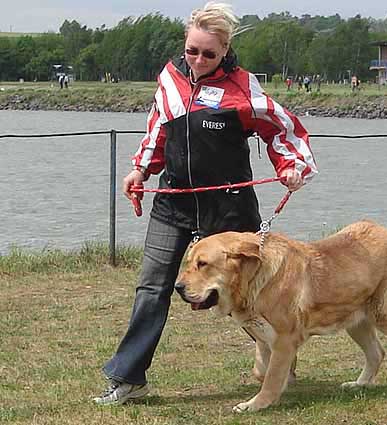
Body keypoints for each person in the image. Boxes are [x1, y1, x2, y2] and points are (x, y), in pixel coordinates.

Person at [93, 1, 317, 406]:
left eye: (208, 54)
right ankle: (128, 377)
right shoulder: (169, 79)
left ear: (225, 50)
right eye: (191, 51)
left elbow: (283, 128)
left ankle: (281, 359)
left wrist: (292, 166)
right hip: (173, 203)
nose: (197, 60)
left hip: (228, 209)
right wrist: (141, 171)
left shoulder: (243, 87)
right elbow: (157, 130)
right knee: (152, 285)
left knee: (251, 293)